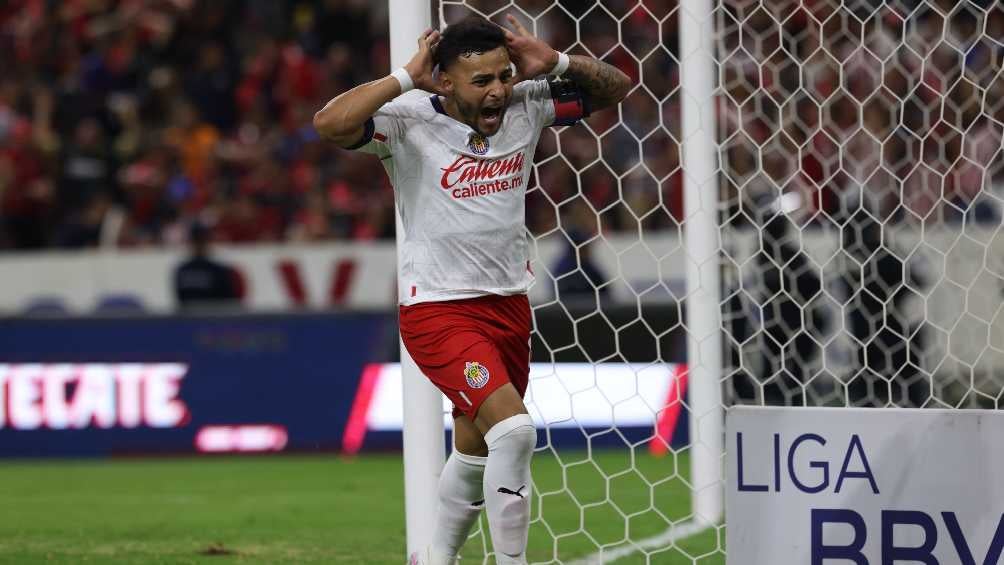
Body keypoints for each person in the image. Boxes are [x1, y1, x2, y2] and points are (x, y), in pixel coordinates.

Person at [313, 14, 630, 565]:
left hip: (508, 303)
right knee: (514, 431)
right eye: (481, 81)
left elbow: (615, 88)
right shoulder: (407, 120)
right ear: (444, 82)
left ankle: (435, 559)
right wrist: (402, 78)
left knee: (476, 446)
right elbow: (329, 124)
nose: (498, 91)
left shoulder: (526, 105)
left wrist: (553, 62)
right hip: (438, 308)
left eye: (503, 75)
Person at [173, 221, 243, 309]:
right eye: (196, 240)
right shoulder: (182, 271)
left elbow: (228, 302)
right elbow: (181, 301)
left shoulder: (220, 271)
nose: (199, 244)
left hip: (214, 319)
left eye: (202, 240)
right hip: (191, 319)